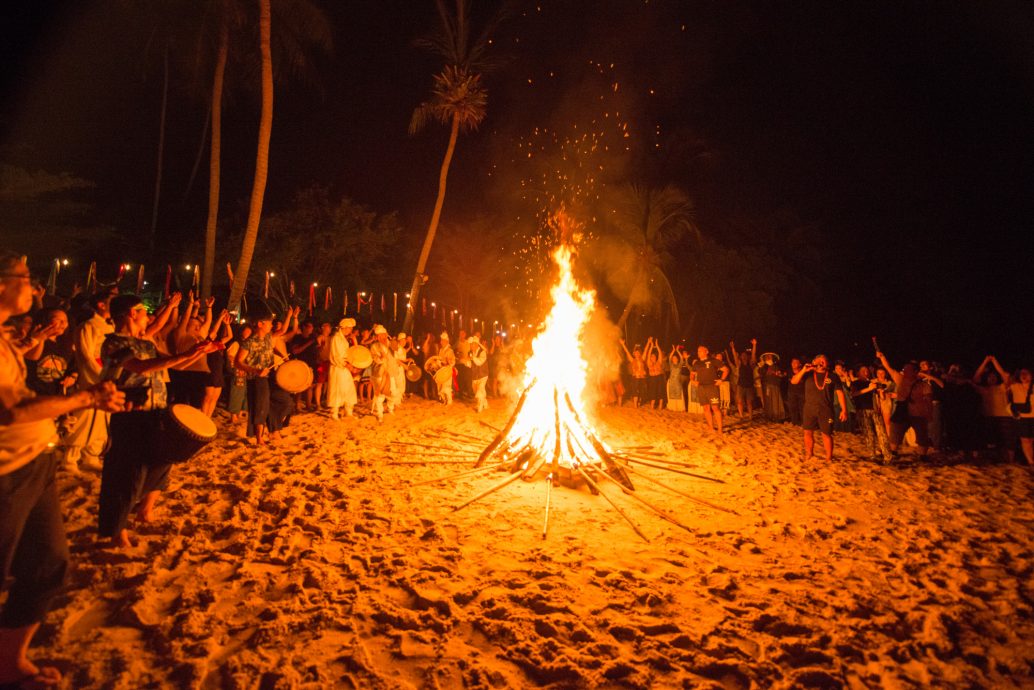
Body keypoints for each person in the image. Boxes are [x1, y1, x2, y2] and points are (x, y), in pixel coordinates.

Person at [0, 251, 124, 689]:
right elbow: (12, 411)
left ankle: (9, 662)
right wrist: (87, 399)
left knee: (48, 565)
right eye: (26, 277)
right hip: (5, 475)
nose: (33, 286)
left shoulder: (4, 337)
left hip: (35, 462)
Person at [99, 294, 219, 548]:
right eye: (144, 311)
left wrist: (195, 352)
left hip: (156, 409)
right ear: (132, 313)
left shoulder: (145, 343)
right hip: (130, 412)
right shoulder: (115, 344)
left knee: (164, 461)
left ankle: (144, 509)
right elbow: (141, 368)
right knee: (128, 473)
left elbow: (172, 367)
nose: (148, 315)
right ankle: (116, 530)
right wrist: (188, 352)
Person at [63, 288, 117, 473]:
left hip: (108, 373)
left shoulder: (111, 327)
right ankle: (71, 457)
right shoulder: (87, 326)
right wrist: (100, 374)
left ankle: (91, 455)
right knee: (85, 415)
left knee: (103, 417)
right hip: (92, 376)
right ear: (101, 304)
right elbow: (85, 355)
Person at [876, 350, 939, 460]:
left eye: (907, 369)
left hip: (917, 414)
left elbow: (928, 401)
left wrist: (929, 414)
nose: (905, 371)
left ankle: (922, 456)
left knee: (922, 436)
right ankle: (894, 453)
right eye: (905, 369)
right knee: (895, 434)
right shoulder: (900, 379)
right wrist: (882, 357)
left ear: (915, 371)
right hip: (903, 413)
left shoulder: (924, 385)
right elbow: (888, 368)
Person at [790, 354, 847, 462]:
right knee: (807, 432)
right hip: (809, 408)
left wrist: (844, 410)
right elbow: (794, 381)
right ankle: (809, 454)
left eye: (824, 361)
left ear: (828, 364)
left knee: (826, 434)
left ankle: (829, 457)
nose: (821, 362)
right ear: (814, 362)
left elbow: (840, 393)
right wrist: (804, 370)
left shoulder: (833, 376)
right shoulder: (808, 374)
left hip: (826, 409)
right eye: (819, 360)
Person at [234, 309, 278, 444]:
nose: (272, 325)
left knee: (282, 402)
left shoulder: (268, 337)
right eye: (269, 323)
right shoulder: (248, 342)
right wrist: (255, 370)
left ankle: (272, 430)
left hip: (269, 376)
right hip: (256, 378)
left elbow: (283, 332)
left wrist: (291, 317)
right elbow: (237, 362)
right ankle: (259, 438)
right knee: (260, 406)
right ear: (260, 324)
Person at [973, 355, 1014, 463]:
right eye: (990, 377)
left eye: (994, 376)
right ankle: (992, 460)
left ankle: (1011, 460)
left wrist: (995, 361)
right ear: (986, 379)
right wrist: (985, 361)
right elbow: (976, 377)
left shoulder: (1002, 387)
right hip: (988, 416)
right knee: (990, 440)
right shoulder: (983, 389)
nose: (992, 378)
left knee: (1008, 440)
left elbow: (1004, 375)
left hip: (1004, 417)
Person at [850, 365, 893, 462]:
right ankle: (872, 454)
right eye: (863, 370)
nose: (866, 372)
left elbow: (881, 398)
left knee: (881, 432)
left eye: (867, 370)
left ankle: (887, 455)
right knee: (869, 433)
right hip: (862, 410)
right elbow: (854, 394)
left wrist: (880, 392)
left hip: (874, 409)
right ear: (858, 373)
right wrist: (869, 389)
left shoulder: (872, 383)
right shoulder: (855, 383)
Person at [200, 310, 234, 417]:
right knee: (207, 397)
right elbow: (213, 331)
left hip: (218, 373)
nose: (214, 334)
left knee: (214, 398)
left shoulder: (218, 343)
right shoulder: (206, 342)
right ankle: (203, 417)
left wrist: (227, 324)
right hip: (209, 371)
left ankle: (208, 418)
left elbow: (230, 336)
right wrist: (220, 318)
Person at [691, 345, 729, 436]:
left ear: (706, 351)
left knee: (715, 408)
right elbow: (692, 374)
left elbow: (726, 370)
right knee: (706, 408)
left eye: (700, 351)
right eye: (698, 351)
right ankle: (711, 428)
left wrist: (721, 380)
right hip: (701, 387)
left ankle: (720, 429)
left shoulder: (713, 361)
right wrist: (692, 380)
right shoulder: (697, 364)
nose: (698, 353)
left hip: (712, 387)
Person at [326, 318, 358, 419]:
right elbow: (336, 356)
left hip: (344, 368)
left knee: (349, 388)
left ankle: (348, 411)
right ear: (344, 327)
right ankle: (334, 413)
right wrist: (347, 365)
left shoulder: (343, 338)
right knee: (337, 389)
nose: (351, 331)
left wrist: (351, 364)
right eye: (350, 328)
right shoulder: (336, 338)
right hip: (337, 368)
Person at [289, 320, 319, 411]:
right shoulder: (298, 338)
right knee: (300, 386)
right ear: (304, 328)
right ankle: (297, 405)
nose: (311, 328)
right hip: (301, 363)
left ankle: (308, 405)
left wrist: (321, 348)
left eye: (312, 327)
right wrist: (308, 343)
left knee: (310, 385)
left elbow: (316, 351)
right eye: (310, 326)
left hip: (312, 363)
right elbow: (295, 351)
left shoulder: (313, 338)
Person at [368, 325, 397, 422]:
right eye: (379, 335)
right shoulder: (374, 346)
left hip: (391, 372)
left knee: (393, 392)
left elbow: (397, 348)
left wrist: (391, 340)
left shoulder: (391, 343)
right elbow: (374, 358)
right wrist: (381, 358)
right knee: (380, 394)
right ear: (376, 336)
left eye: (383, 335)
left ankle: (390, 408)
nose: (382, 337)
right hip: (379, 372)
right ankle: (379, 413)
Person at [1007, 367, 1034, 466]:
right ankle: (1031, 462)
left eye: (1026, 373)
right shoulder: (1015, 386)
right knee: (1026, 440)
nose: (1024, 375)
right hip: (1022, 418)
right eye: (1022, 373)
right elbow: (1005, 376)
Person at [729, 339, 757, 419]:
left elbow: (753, 355)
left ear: (747, 357)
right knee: (740, 401)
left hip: (749, 385)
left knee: (749, 402)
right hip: (740, 385)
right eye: (742, 355)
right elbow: (734, 356)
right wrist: (733, 348)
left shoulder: (751, 364)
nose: (744, 356)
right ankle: (741, 415)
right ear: (741, 357)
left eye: (745, 355)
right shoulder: (739, 364)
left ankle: (750, 416)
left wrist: (754, 345)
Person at [758, 351, 786, 422]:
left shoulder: (776, 366)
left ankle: (778, 416)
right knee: (768, 401)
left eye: (770, 356)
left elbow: (781, 375)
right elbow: (761, 373)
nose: (768, 357)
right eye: (767, 356)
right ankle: (769, 415)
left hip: (775, 385)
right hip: (766, 386)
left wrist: (779, 374)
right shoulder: (763, 366)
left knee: (776, 401)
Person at [619, 340, 647, 408]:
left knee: (641, 391)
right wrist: (623, 345)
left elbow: (646, 350)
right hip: (635, 378)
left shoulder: (642, 359)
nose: (637, 354)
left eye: (638, 353)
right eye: (635, 353)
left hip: (642, 377)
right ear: (634, 354)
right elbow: (627, 352)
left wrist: (648, 343)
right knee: (635, 391)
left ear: (640, 354)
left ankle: (639, 402)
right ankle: (635, 405)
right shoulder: (632, 360)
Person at [470, 333, 489, 412]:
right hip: (475, 376)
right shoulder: (471, 353)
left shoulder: (482, 352)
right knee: (476, 390)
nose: (471, 346)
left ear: (477, 345)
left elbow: (479, 362)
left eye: (472, 345)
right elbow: (471, 364)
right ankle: (485, 403)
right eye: (471, 345)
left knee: (480, 390)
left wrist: (473, 358)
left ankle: (480, 407)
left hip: (483, 375)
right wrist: (465, 361)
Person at [436, 332, 456, 405]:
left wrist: (447, 363)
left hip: (447, 371)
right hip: (441, 370)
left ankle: (449, 401)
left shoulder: (450, 351)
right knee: (440, 386)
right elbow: (439, 359)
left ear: (446, 341)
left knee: (446, 386)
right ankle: (444, 400)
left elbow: (453, 362)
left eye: (443, 340)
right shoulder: (441, 350)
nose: (441, 342)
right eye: (441, 340)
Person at [786, 357, 806, 426]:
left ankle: (803, 422)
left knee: (802, 408)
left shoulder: (804, 371)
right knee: (792, 407)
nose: (793, 364)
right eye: (792, 362)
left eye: (795, 362)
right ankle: (794, 422)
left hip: (802, 392)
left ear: (800, 364)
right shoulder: (789, 371)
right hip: (791, 392)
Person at [666, 346, 686, 412]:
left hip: (677, 382)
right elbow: (669, 358)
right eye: (673, 358)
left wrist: (677, 351)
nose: (674, 359)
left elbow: (682, 358)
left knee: (679, 395)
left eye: (675, 358)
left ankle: (679, 408)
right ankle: (672, 407)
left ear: (677, 359)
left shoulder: (680, 365)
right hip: (671, 382)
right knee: (671, 395)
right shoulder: (671, 365)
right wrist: (673, 350)